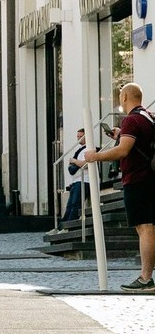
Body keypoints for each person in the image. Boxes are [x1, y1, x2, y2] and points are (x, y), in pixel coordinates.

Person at [80, 82, 155, 292]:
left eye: (119, 98)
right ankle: (147, 277)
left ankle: (146, 278)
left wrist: (95, 156)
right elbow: (137, 142)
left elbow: (123, 151)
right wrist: (120, 134)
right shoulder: (148, 116)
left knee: (145, 227)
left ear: (124, 98)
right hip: (150, 177)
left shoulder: (131, 120)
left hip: (138, 179)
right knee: (149, 227)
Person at [62, 127, 87, 222]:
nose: (79, 138)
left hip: (84, 181)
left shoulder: (88, 149)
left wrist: (74, 161)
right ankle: (63, 225)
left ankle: (69, 226)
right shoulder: (80, 150)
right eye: (78, 136)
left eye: (81, 136)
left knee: (75, 204)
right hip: (76, 181)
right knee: (70, 205)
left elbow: (85, 164)